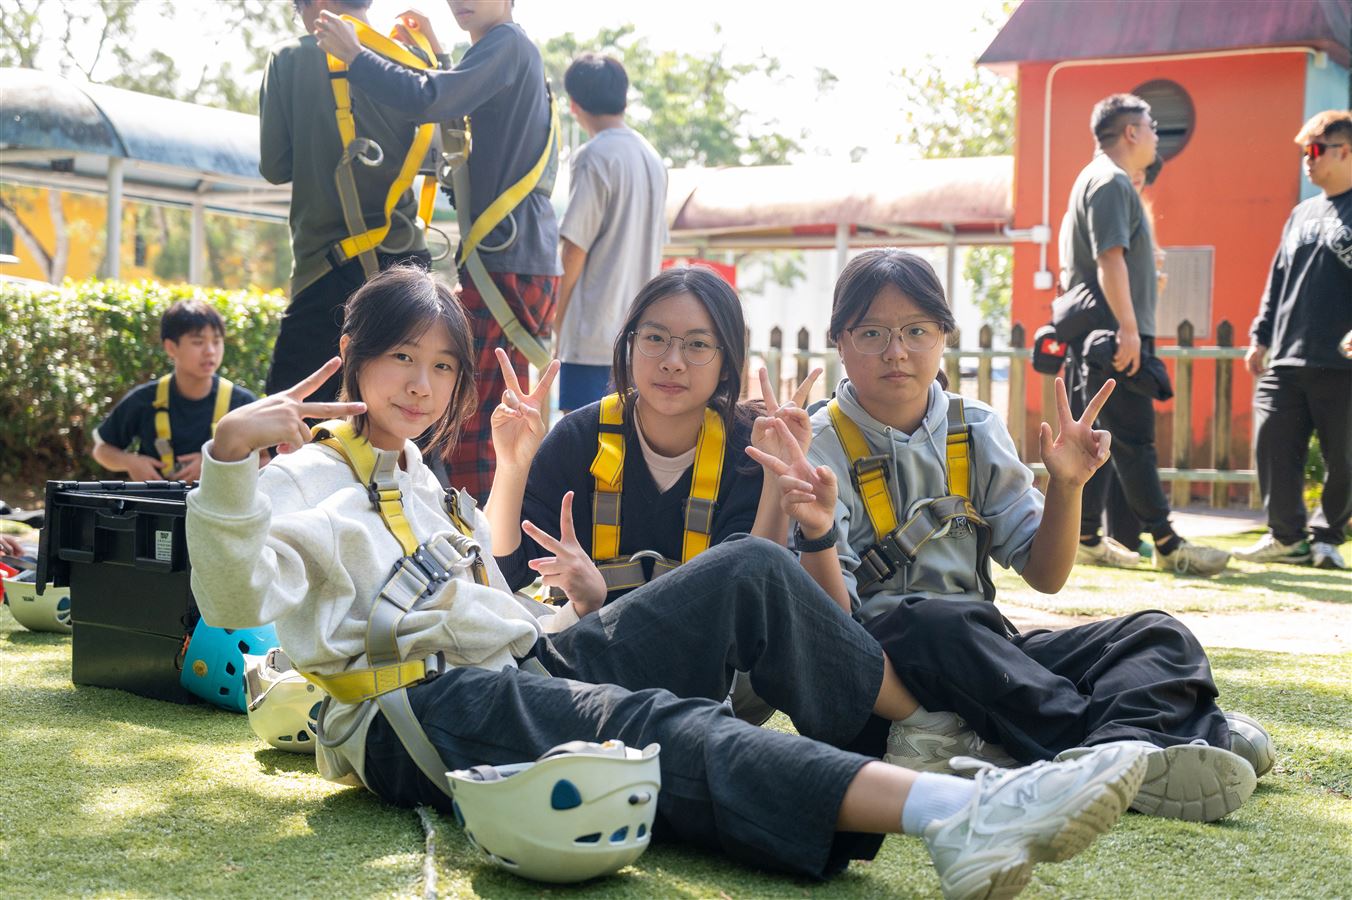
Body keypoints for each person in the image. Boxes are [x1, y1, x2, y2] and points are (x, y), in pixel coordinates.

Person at [182, 264, 1147, 900]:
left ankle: (929, 735)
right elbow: (233, 605)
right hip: (417, 713)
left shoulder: (419, 477)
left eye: (441, 365)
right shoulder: (303, 480)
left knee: (751, 568)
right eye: (400, 358)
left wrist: (581, 604)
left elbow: (485, 597)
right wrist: (228, 460)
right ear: (353, 360)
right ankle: (956, 814)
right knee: (645, 725)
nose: (421, 385)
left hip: (521, 660)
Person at [749, 249, 1265, 824]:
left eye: (916, 330)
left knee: (1156, 635)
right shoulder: (814, 441)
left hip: (986, 658)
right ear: (839, 343)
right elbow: (832, 628)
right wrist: (817, 530)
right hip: (881, 683)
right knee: (932, 622)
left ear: (944, 336)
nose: (896, 351)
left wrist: (1067, 486)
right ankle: (1172, 734)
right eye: (871, 333)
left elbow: (1046, 576)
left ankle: (1121, 748)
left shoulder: (975, 426)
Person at [315, 0, 561, 500]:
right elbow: (456, 97)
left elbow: (433, 98)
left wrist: (357, 56)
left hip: (506, 261)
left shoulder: (508, 44)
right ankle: (481, 529)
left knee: (476, 422)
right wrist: (444, 57)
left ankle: (481, 536)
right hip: (513, 256)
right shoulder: (508, 49)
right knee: (481, 414)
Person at [1058, 93, 1230, 576]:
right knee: (1135, 440)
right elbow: (1108, 257)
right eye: (1151, 126)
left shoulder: (1091, 178)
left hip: (1101, 333)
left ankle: (1086, 537)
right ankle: (1168, 544)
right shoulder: (1111, 180)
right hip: (1115, 335)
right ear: (1131, 132)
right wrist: (1129, 329)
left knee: (1100, 438)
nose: (1157, 136)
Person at [260, 0, 434, 402]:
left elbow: (275, 166)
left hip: (326, 267)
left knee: (291, 415)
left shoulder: (290, 57)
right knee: (409, 414)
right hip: (407, 262)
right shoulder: (408, 59)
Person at [1235, 109, 1352, 571]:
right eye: (1305, 151)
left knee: (1344, 458)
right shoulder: (1301, 214)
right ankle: (1286, 537)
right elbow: (1277, 280)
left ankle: (1326, 538)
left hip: (1341, 364)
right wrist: (1260, 336)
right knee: (1273, 447)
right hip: (1285, 357)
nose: (1308, 159)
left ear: (1345, 152)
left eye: (1316, 150)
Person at [555, 53, 668, 413]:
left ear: (574, 104)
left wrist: (555, 322)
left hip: (592, 338)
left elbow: (575, 247)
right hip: (640, 339)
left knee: (582, 441)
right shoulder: (653, 158)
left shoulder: (594, 155)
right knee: (630, 438)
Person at [92, 300, 256, 483]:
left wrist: (216, 464)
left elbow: (267, 459)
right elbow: (102, 450)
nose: (210, 351)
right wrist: (131, 462)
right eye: (198, 342)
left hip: (219, 501)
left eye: (217, 342)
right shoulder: (144, 400)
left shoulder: (242, 404)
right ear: (171, 347)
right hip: (156, 501)